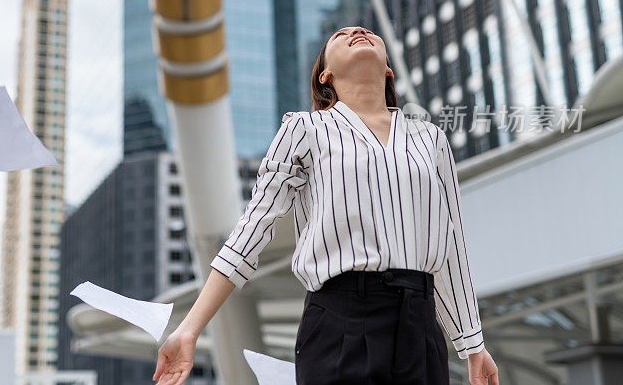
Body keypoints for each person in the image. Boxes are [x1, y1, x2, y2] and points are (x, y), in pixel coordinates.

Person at [152, 26, 500, 384]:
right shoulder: (305, 129)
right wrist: (190, 329)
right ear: (325, 75)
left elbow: (451, 246)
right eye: (341, 35)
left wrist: (473, 346)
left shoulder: (430, 138)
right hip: (340, 321)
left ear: (388, 71)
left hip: (420, 326)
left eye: (366, 31)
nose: (357, 32)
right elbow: (252, 228)